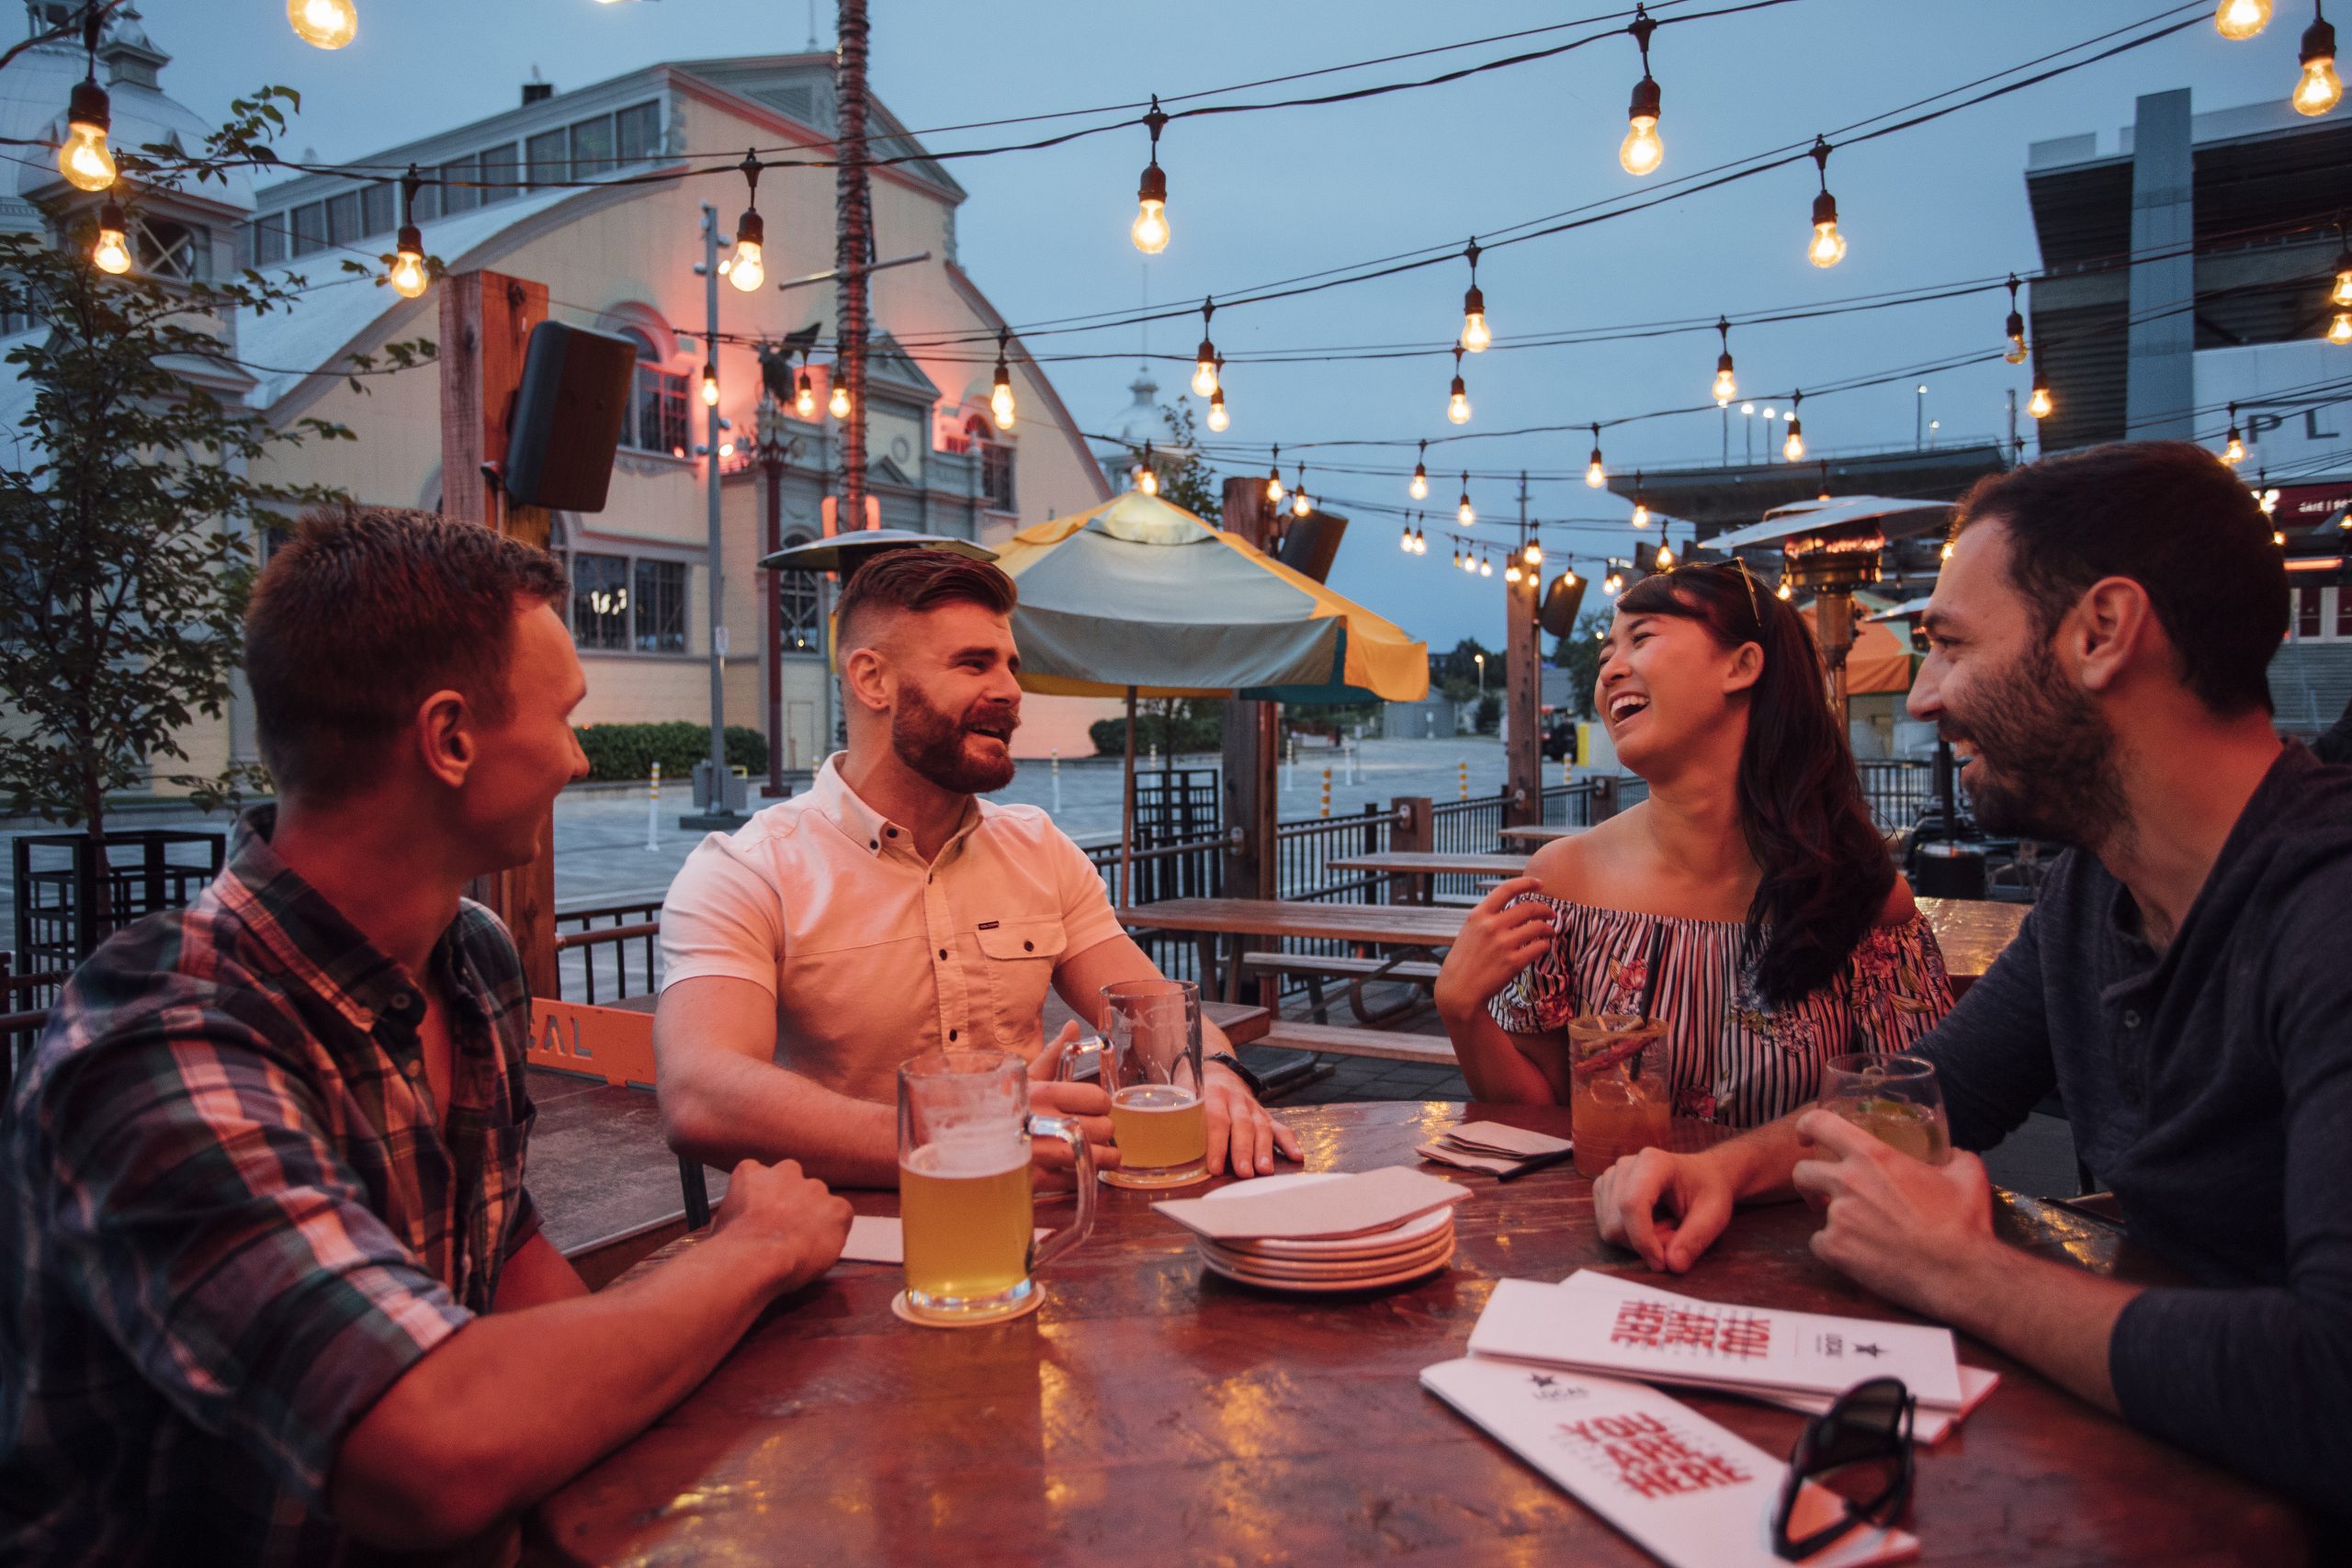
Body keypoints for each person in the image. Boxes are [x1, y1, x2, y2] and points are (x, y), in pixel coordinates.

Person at [0, 509, 853, 1564]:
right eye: (565, 717)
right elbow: (426, 1449)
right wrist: (753, 1249)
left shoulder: (470, 958)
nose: (579, 760)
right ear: (449, 739)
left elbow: (515, 1272)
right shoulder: (164, 1040)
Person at [1589, 442, 2352, 1516]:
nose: (1923, 701)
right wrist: (1723, 1168)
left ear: (2100, 633)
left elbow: (2330, 1386)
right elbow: (1926, 1089)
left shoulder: (2327, 910)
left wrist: (1960, 1272)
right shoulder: (2099, 889)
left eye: (1948, 645)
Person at [654, 548, 1297, 1187]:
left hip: (1048, 1223)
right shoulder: (749, 870)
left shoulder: (1038, 848)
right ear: (873, 679)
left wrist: (1216, 1072)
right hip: (855, 1244)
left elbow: (1157, 1018)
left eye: (1011, 666)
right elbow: (699, 1096)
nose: (1012, 690)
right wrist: (963, 1131)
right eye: (974, 663)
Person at [1436, 561, 1951, 1127]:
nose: (1608, 671)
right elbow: (1547, 1117)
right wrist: (1462, 1011)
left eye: (1642, 637)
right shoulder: (1563, 881)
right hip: (1611, 1211)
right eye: (1605, 654)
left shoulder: (1858, 897)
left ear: (1742, 664)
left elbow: (1912, 1115)